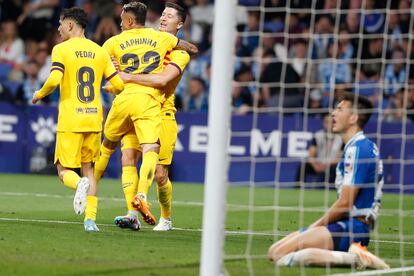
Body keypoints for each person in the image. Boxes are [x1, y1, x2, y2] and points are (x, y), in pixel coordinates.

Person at [94, 2, 197, 228]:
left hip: (162, 113)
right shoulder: (149, 40)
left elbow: (160, 80)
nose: (163, 18)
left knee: (161, 174)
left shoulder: (180, 54)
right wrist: (116, 75)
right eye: (162, 14)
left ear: (179, 24)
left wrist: (127, 76)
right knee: (127, 158)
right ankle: (132, 213)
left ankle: (166, 218)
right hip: (138, 107)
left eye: (169, 16)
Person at [268, 93, 389, 270]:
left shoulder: (358, 149)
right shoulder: (361, 145)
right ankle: (351, 255)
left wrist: (315, 226)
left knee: (282, 255)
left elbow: (346, 203)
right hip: (346, 224)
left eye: (339, 109)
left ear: (353, 117)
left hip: (354, 227)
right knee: (274, 252)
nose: (333, 113)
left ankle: (356, 258)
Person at [31, 7, 124, 232]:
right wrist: (108, 88)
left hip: (71, 118)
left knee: (64, 171)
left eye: (61, 24)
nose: (59, 28)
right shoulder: (100, 51)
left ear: (71, 25)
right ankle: (90, 221)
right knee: (89, 170)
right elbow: (120, 85)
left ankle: (78, 185)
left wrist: (39, 94)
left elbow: (54, 80)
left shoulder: (61, 49)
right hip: (93, 119)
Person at [297, 113, 343, 185]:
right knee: (303, 166)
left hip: (332, 165)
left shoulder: (340, 138)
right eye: (326, 122)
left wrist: (328, 164)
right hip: (319, 164)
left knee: (335, 169)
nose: (328, 125)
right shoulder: (318, 136)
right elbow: (311, 155)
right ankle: (297, 187)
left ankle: (328, 189)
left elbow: (339, 158)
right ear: (323, 123)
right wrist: (315, 165)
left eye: (331, 122)